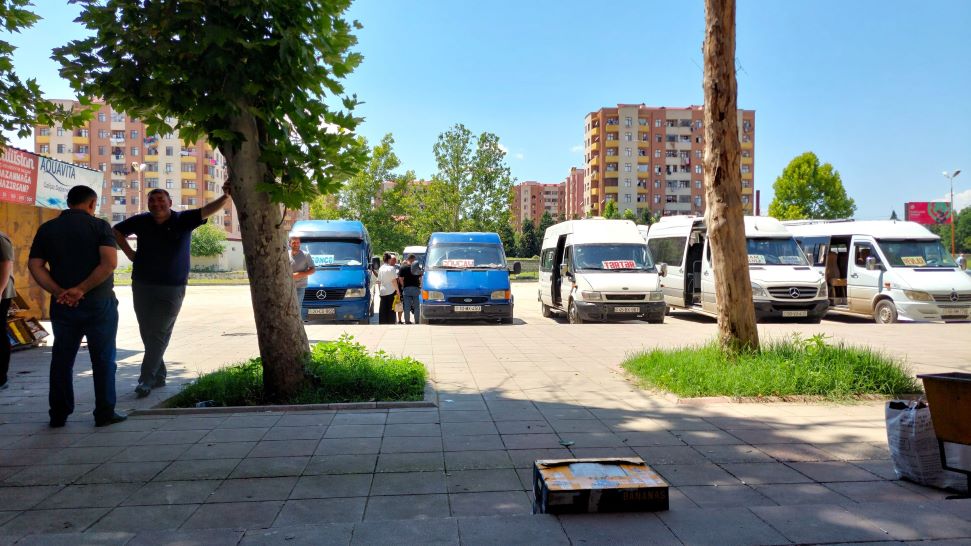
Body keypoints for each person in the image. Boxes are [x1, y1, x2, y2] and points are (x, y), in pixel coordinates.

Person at [114, 182, 232, 398]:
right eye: (152, 200)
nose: (156, 203)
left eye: (161, 200)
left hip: (172, 287)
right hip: (142, 284)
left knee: (158, 331)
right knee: (147, 331)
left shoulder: (183, 219)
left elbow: (207, 210)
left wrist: (225, 197)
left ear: (170, 203)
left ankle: (145, 380)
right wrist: (130, 253)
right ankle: (159, 374)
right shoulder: (141, 221)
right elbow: (116, 231)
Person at [28, 185, 126, 427]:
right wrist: (82, 289)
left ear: (68, 202)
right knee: (103, 358)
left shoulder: (47, 229)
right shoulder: (100, 226)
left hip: (63, 306)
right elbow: (109, 263)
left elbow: (35, 266)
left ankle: (58, 414)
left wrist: (60, 292)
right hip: (99, 304)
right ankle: (104, 412)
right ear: (92, 204)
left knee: (62, 359)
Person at [0, 229, 14, 390]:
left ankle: (1, 377)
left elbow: (6, 263)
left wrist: (0, 290)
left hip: (2, 294)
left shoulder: (1, 238)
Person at [289, 237, 315, 319]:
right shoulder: (285, 255)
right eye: (294, 243)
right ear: (289, 244)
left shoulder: (306, 255)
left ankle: (297, 324)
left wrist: (299, 274)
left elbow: (312, 270)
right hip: (287, 285)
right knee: (287, 306)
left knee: (297, 306)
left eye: (298, 243)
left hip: (300, 286)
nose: (296, 244)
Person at [398, 254, 422, 324]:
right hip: (415, 288)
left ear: (408, 259)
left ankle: (407, 321)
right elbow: (421, 277)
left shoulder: (403, 268)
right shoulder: (417, 268)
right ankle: (417, 321)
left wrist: (403, 285)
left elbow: (400, 278)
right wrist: (420, 284)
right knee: (416, 306)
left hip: (406, 288)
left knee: (407, 306)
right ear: (413, 259)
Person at [377, 253, 399, 324]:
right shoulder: (391, 268)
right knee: (391, 308)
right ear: (389, 259)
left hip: (382, 291)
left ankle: (382, 322)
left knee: (383, 309)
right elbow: (394, 281)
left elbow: (379, 281)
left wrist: (379, 291)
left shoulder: (380, 268)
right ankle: (391, 322)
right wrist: (398, 291)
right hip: (391, 291)